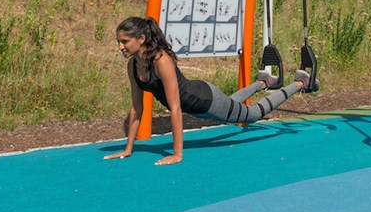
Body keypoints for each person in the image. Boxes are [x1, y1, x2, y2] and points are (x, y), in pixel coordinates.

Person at [105, 16, 318, 165]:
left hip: (204, 100)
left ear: (141, 39)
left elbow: (175, 108)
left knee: (251, 115)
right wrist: (128, 148)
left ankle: (300, 83)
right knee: (232, 105)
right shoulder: (133, 65)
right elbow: (136, 108)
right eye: (119, 42)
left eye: (125, 41)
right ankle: (263, 83)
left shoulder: (161, 60)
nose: (121, 47)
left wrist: (177, 154)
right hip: (201, 101)